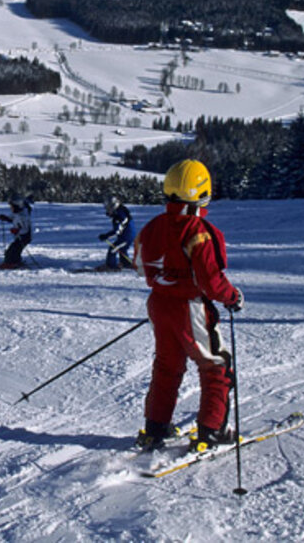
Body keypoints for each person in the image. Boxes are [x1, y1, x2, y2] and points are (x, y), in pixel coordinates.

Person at [134, 159, 244, 452]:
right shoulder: (199, 230)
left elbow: (140, 265)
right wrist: (232, 297)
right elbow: (211, 280)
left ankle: (156, 428)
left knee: (167, 365)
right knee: (215, 364)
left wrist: (167, 282)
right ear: (203, 193)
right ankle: (212, 431)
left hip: (159, 304)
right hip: (190, 307)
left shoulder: (152, 227)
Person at [97, 195, 137, 271]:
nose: (107, 210)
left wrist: (106, 236)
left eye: (108, 208)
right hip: (127, 236)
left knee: (113, 249)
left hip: (126, 237)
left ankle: (111, 266)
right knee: (122, 249)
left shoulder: (119, 216)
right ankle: (126, 263)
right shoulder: (121, 212)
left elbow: (117, 231)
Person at [0, 197, 33, 269]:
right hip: (20, 236)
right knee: (14, 249)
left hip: (25, 237)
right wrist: (5, 218)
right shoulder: (16, 213)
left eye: (12, 207)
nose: (11, 208)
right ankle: (15, 262)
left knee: (13, 249)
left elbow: (25, 229)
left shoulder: (23, 216)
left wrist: (17, 231)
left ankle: (10, 263)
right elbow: (11, 218)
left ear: (17, 207)